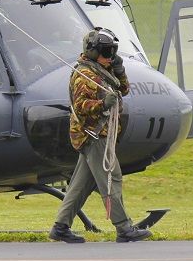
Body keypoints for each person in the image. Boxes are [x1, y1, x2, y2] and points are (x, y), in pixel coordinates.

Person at [49, 28, 151, 244]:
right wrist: (102, 104)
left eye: (113, 52)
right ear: (93, 52)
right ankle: (123, 228)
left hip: (97, 135)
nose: (110, 57)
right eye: (106, 52)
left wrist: (119, 70)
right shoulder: (85, 76)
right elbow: (80, 106)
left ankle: (60, 227)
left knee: (81, 184)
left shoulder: (103, 70)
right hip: (94, 135)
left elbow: (123, 89)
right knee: (111, 179)